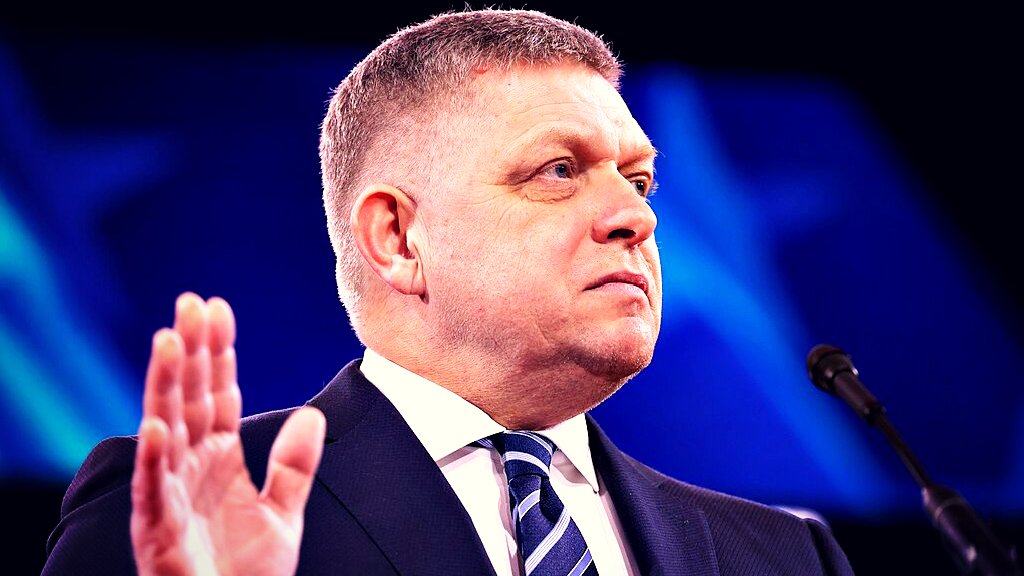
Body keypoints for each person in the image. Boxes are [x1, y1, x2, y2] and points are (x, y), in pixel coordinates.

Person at [42, 8, 855, 576]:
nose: (635, 217)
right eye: (559, 170)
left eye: (638, 180)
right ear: (398, 238)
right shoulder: (183, 510)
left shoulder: (782, 557)